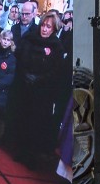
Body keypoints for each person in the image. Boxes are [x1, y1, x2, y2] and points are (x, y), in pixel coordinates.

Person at [10, 11, 64, 168]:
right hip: (25, 87)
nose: (45, 29)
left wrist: (39, 78)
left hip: (42, 92)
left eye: (48, 27)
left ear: (54, 29)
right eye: (43, 26)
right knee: (23, 120)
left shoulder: (56, 46)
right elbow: (20, 57)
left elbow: (56, 70)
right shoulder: (30, 39)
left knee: (36, 124)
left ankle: (32, 157)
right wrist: (26, 74)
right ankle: (20, 150)